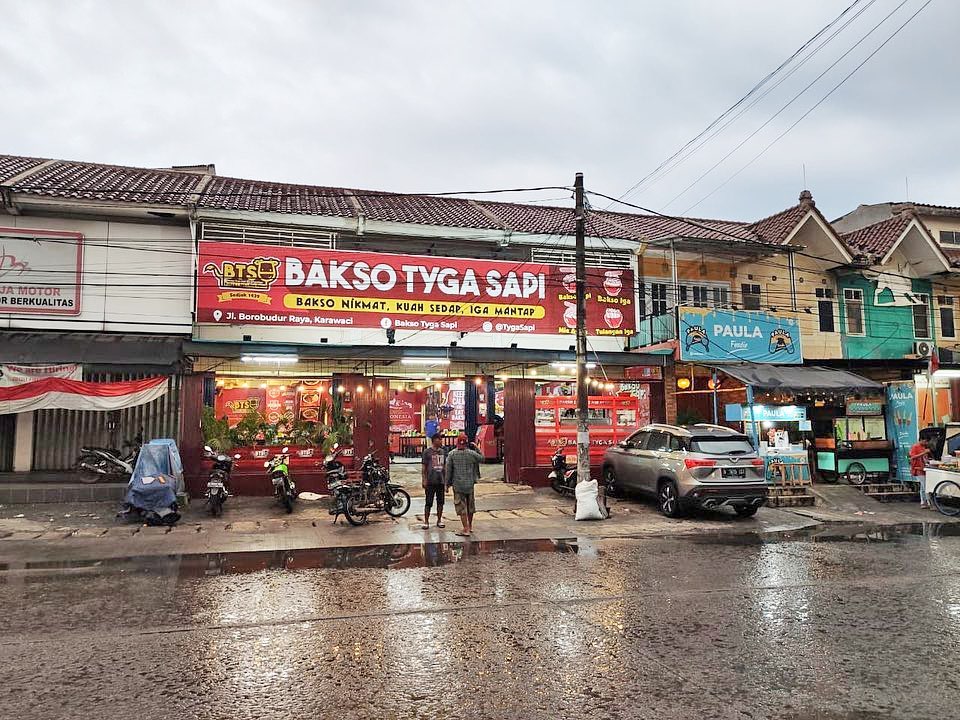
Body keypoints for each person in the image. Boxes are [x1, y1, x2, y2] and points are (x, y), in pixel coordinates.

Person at [445, 432, 482, 537]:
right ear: (467, 443)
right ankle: (469, 526)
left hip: (458, 485)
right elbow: (482, 458)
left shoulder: (452, 454)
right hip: (469, 484)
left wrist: (446, 484)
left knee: (461, 508)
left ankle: (465, 529)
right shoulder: (471, 453)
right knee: (470, 507)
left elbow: (448, 470)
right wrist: (476, 447)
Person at [420, 433, 447, 529]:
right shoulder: (427, 452)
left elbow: (445, 467)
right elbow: (424, 467)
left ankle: (439, 520)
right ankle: (426, 521)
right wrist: (424, 480)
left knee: (440, 502)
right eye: (439, 439)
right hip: (430, 481)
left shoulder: (443, 452)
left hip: (441, 481)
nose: (441, 441)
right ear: (435, 440)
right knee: (428, 502)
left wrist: (446, 481)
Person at [910, 437, 932, 508]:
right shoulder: (915, 447)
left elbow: (925, 458)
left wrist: (928, 460)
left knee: (923, 486)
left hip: (924, 468)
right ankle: (929, 502)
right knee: (925, 486)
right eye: (925, 441)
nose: (926, 443)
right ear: (921, 440)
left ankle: (923, 502)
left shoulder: (923, 447)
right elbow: (913, 457)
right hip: (918, 468)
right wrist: (924, 452)